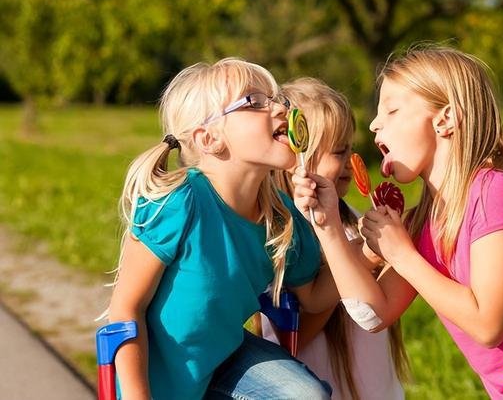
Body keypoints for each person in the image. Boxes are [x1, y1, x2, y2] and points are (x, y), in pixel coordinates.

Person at [292, 46, 503, 399]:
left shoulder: (495, 192)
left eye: (392, 110)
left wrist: (403, 256)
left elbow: (488, 325)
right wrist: (328, 225)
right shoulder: (424, 222)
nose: (374, 123)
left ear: (446, 120)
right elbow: (372, 315)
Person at [106, 58, 337, 400]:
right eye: (255, 102)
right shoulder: (180, 202)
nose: (280, 108)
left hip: (224, 359)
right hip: (158, 381)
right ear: (210, 138)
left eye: (278, 100)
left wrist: (370, 250)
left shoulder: (281, 216)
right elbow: (125, 310)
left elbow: (314, 298)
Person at [256, 77, 410, 400]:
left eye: (352, 148)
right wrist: (363, 259)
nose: (352, 162)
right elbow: (296, 335)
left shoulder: (354, 217)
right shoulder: (284, 234)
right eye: (340, 151)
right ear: (297, 156)